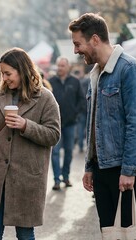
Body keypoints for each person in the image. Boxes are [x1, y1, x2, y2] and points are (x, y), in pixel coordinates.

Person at [68, 13, 136, 229]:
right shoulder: (95, 73)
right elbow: (94, 124)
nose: (75, 50)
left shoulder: (130, 69)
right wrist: (89, 165)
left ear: (95, 39)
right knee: (108, 231)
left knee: (127, 230)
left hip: (124, 168)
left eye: (78, 44)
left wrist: (128, 170)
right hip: (102, 166)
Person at [0, 47, 61, 240]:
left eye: (8, 73)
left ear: (22, 70)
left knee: (25, 234)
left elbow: (53, 135)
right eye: (2, 73)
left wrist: (26, 125)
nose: (5, 78)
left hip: (27, 177)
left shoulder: (45, 98)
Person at [49, 56, 85, 190]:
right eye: (58, 66)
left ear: (68, 67)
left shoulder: (75, 82)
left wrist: (75, 113)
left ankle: (66, 176)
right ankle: (56, 179)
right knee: (55, 152)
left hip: (70, 123)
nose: (60, 68)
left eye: (62, 66)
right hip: (55, 124)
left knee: (69, 151)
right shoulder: (50, 82)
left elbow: (82, 100)